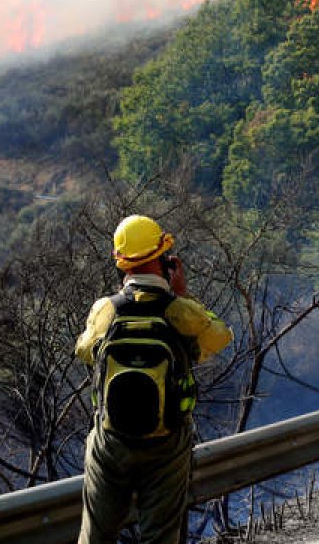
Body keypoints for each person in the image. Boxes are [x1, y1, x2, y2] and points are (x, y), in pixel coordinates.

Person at [75, 215, 233, 544]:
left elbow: (84, 351)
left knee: (96, 537)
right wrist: (185, 295)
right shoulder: (182, 312)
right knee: (160, 537)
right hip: (167, 444)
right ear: (164, 260)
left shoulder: (106, 309)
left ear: (122, 264)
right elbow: (220, 337)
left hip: (111, 441)